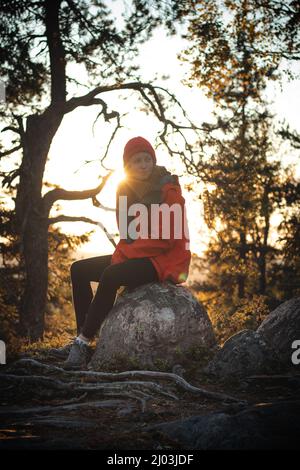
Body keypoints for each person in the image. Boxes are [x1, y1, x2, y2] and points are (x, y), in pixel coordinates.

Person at [51, 136, 191, 369]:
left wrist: (123, 257)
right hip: (139, 253)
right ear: (127, 165)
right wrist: (124, 254)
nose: (144, 164)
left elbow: (167, 239)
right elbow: (127, 232)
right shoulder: (125, 189)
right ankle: (81, 337)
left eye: (148, 159)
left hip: (164, 260)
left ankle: (83, 343)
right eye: (137, 160)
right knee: (79, 270)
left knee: (111, 275)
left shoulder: (169, 189)